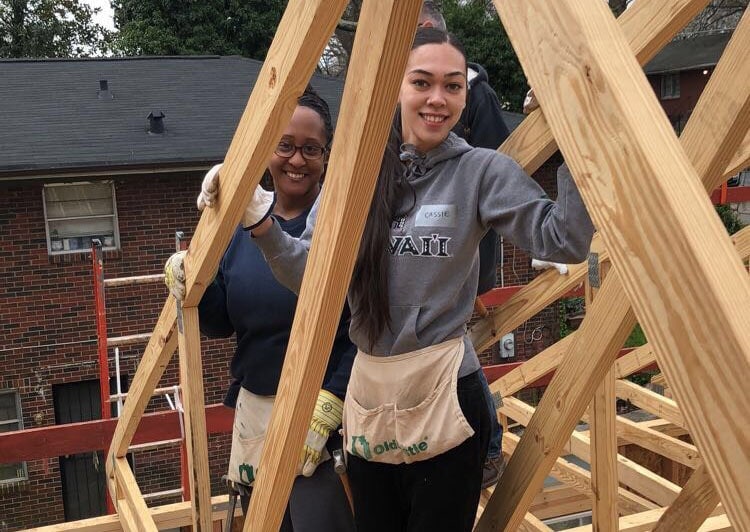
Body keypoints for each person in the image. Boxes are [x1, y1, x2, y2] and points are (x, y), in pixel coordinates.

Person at [207, 28, 594, 531]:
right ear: (398, 89)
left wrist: (571, 136)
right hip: (370, 399)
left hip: (444, 396)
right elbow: (312, 277)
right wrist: (262, 225)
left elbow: (562, 239)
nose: (438, 99)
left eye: (453, 86)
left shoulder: (479, 172)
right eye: (422, 82)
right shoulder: (357, 174)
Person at [163, 88, 355, 531]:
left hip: (324, 426)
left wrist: (333, 399)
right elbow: (219, 322)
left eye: (311, 149)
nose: (297, 160)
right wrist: (192, 284)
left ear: (327, 156)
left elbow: (365, 322)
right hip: (258, 418)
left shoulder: (339, 226)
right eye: (285, 145)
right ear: (267, 149)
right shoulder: (240, 229)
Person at [419, 0, 511, 488]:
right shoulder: (400, 94)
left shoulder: (474, 93)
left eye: (427, 31)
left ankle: (488, 446)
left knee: (456, 350)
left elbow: (498, 167)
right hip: (421, 247)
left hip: (462, 247)